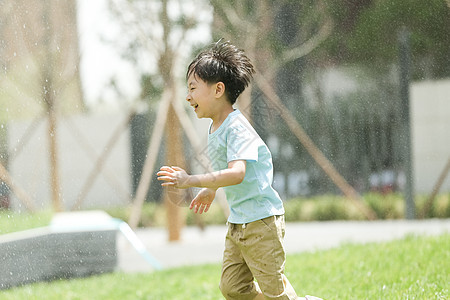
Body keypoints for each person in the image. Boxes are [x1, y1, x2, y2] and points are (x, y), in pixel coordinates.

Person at [157, 40, 322, 300]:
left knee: (273, 291)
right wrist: (210, 189)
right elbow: (224, 169)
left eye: (192, 88)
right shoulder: (215, 128)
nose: (187, 96)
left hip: (260, 222)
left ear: (218, 90)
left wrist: (190, 180)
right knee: (232, 288)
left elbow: (237, 173)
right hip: (238, 223)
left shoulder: (236, 127)